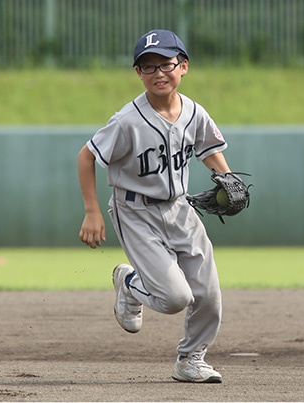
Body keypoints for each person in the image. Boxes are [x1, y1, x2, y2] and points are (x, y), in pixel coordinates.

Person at [77, 29, 233, 383]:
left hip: (181, 209)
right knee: (175, 297)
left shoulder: (194, 112)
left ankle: (191, 359)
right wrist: (92, 211)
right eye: (148, 67)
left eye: (166, 63)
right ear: (138, 74)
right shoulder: (127, 121)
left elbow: (209, 150)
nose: (158, 73)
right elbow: (86, 157)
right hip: (136, 213)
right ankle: (130, 283)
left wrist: (228, 180)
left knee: (207, 293)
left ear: (183, 67)